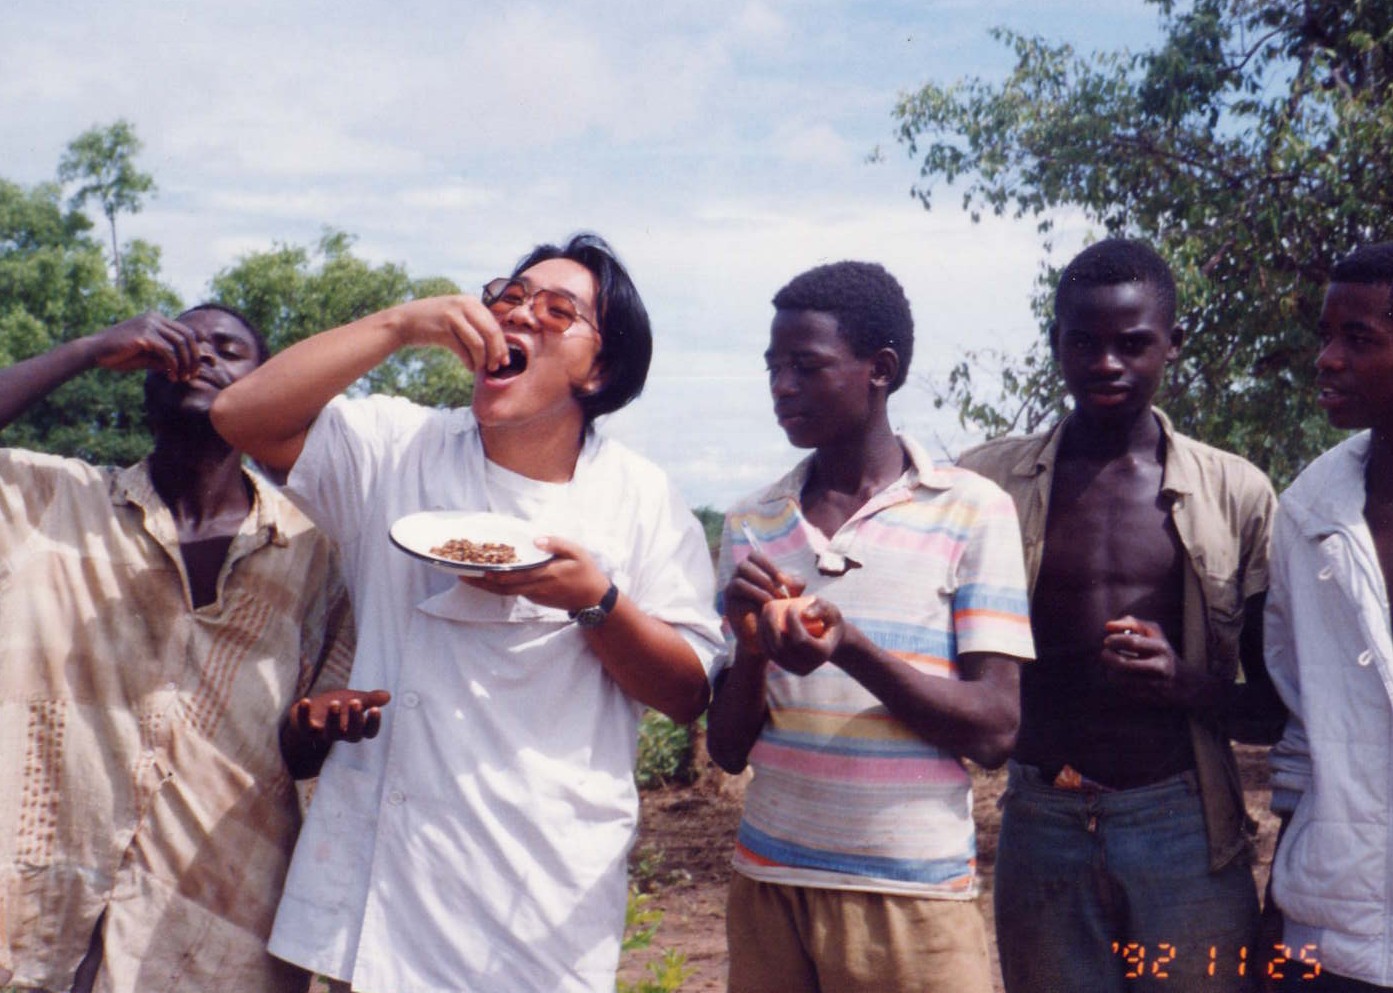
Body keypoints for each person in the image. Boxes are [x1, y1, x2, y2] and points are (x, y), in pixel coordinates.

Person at [211, 231, 724, 993]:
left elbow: (686, 691)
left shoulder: (639, 499)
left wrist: (595, 602)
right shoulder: (397, 446)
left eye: (557, 310)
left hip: (534, 895)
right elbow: (240, 415)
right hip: (381, 889)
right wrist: (398, 325)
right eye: (507, 297)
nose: (518, 316)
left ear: (601, 367)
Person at [958, 238, 1286, 992]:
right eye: (1084, 342)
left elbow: (1270, 709)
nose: (1105, 363)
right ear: (1055, 345)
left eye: (1132, 343)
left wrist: (1183, 683)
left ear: (1173, 343)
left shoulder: (1236, 494)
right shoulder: (982, 484)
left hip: (1181, 825)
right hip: (1040, 823)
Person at [0, 305, 356, 993]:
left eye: (229, 350)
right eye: (179, 347)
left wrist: (314, 732)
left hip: (218, 930)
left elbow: (308, 743)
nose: (202, 359)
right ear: (143, 383)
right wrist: (86, 347)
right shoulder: (53, 504)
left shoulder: (319, 551)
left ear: (269, 391)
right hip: (33, 919)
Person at [705, 260, 1034, 993]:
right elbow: (726, 750)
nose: (780, 387)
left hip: (911, 897)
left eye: (805, 366)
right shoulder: (752, 522)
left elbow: (993, 729)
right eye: (772, 367)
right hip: (768, 884)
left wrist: (848, 647)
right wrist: (753, 648)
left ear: (878, 369)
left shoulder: (970, 510)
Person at [1265, 242, 1393, 991]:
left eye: (1358, 340)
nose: (1326, 359)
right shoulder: (1308, 511)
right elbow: (1299, 720)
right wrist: (1278, 907)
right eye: (1324, 336)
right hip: (1333, 930)